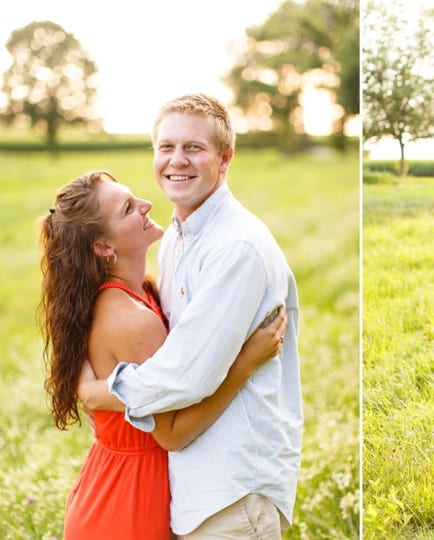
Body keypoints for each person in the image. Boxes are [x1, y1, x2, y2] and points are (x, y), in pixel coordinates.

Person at [79, 93, 303, 539]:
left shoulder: (235, 248)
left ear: (225, 159)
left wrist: (97, 392)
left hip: (233, 489)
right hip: (192, 486)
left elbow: (183, 377)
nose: (176, 160)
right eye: (166, 147)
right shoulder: (178, 238)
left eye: (194, 148)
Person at [39, 170, 286, 539]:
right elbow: (171, 434)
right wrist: (244, 364)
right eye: (127, 208)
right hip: (129, 501)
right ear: (104, 247)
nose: (146, 204)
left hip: (110, 483)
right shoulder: (134, 321)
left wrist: (91, 392)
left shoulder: (132, 294)